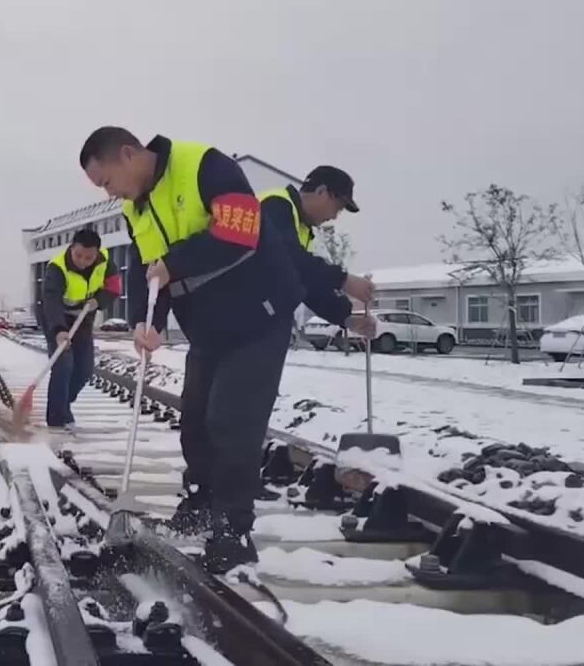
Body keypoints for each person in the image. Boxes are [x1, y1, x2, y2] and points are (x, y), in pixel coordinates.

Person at [78, 127, 373, 573]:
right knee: (194, 420)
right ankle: (199, 505)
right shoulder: (135, 208)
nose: (110, 191)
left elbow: (240, 233)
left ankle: (234, 530)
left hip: (259, 316)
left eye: (106, 181)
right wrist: (147, 323)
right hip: (208, 325)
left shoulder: (205, 166)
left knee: (232, 421)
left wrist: (174, 264)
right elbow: (145, 270)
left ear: (127, 154)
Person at [258, 165, 371, 334]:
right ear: (321, 192)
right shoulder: (276, 205)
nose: (334, 217)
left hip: (257, 326)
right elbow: (287, 258)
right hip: (232, 320)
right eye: (337, 208)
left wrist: (345, 318)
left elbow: (306, 284)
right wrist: (343, 279)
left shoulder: (302, 230)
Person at [37, 228, 121, 428]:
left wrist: (98, 301)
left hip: (83, 316)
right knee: (63, 364)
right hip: (55, 316)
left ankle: (63, 405)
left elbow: (114, 289)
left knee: (84, 369)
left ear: (97, 253)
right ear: (71, 248)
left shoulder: (105, 263)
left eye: (88, 257)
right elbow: (51, 300)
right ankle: (57, 420)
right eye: (78, 255)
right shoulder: (57, 268)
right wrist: (58, 330)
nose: (83, 261)